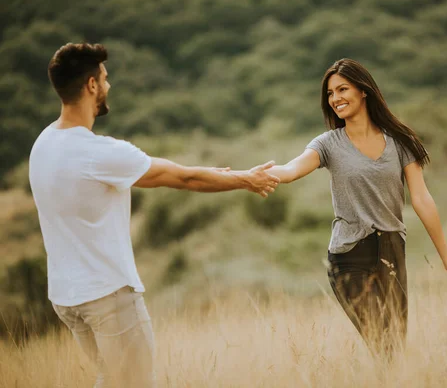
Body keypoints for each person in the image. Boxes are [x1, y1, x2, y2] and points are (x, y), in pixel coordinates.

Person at [28, 43, 280, 388]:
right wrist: (245, 179)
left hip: (66, 298)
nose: (109, 85)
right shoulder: (98, 153)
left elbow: (177, 170)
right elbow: (182, 178)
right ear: (91, 85)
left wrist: (209, 171)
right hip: (107, 295)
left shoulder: (44, 143)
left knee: (111, 379)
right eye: (105, 78)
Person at [268, 58, 447, 354]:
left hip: (391, 250)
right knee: (384, 344)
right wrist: (245, 176)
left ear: (363, 90)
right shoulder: (328, 144)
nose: (335, 98)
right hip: (349, 255)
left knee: (395, 349)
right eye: (330, 94)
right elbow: (290, 171)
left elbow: (422, 200)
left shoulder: (401, 142)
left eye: (342, 89)